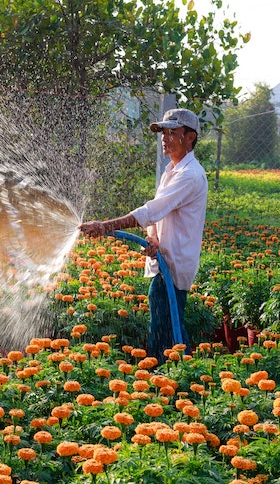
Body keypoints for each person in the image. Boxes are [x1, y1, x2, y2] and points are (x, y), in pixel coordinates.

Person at [79, 108, 208, 362]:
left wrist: (106, 226)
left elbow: (152, 210)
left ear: (190, 137)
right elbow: (157, 215)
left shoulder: (190, 175)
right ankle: (175, 376)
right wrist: (153, 239)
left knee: (166, 329)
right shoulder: (173, 172)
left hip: (175, 263)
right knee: (169, 324)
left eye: (172, 132)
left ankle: (167, 378)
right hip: (165, 260)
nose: (165, 137)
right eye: (163, 132)